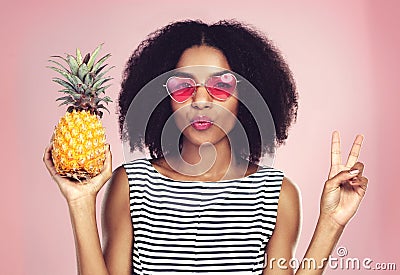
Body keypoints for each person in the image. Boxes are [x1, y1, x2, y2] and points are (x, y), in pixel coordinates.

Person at [43, 19, 368, 275]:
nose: (201, 101)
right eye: (183, 87)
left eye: (221, 86)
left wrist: (331, 222)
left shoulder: (276, 193)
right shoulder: (133, 185)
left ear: (249, 96)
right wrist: (81, 203)